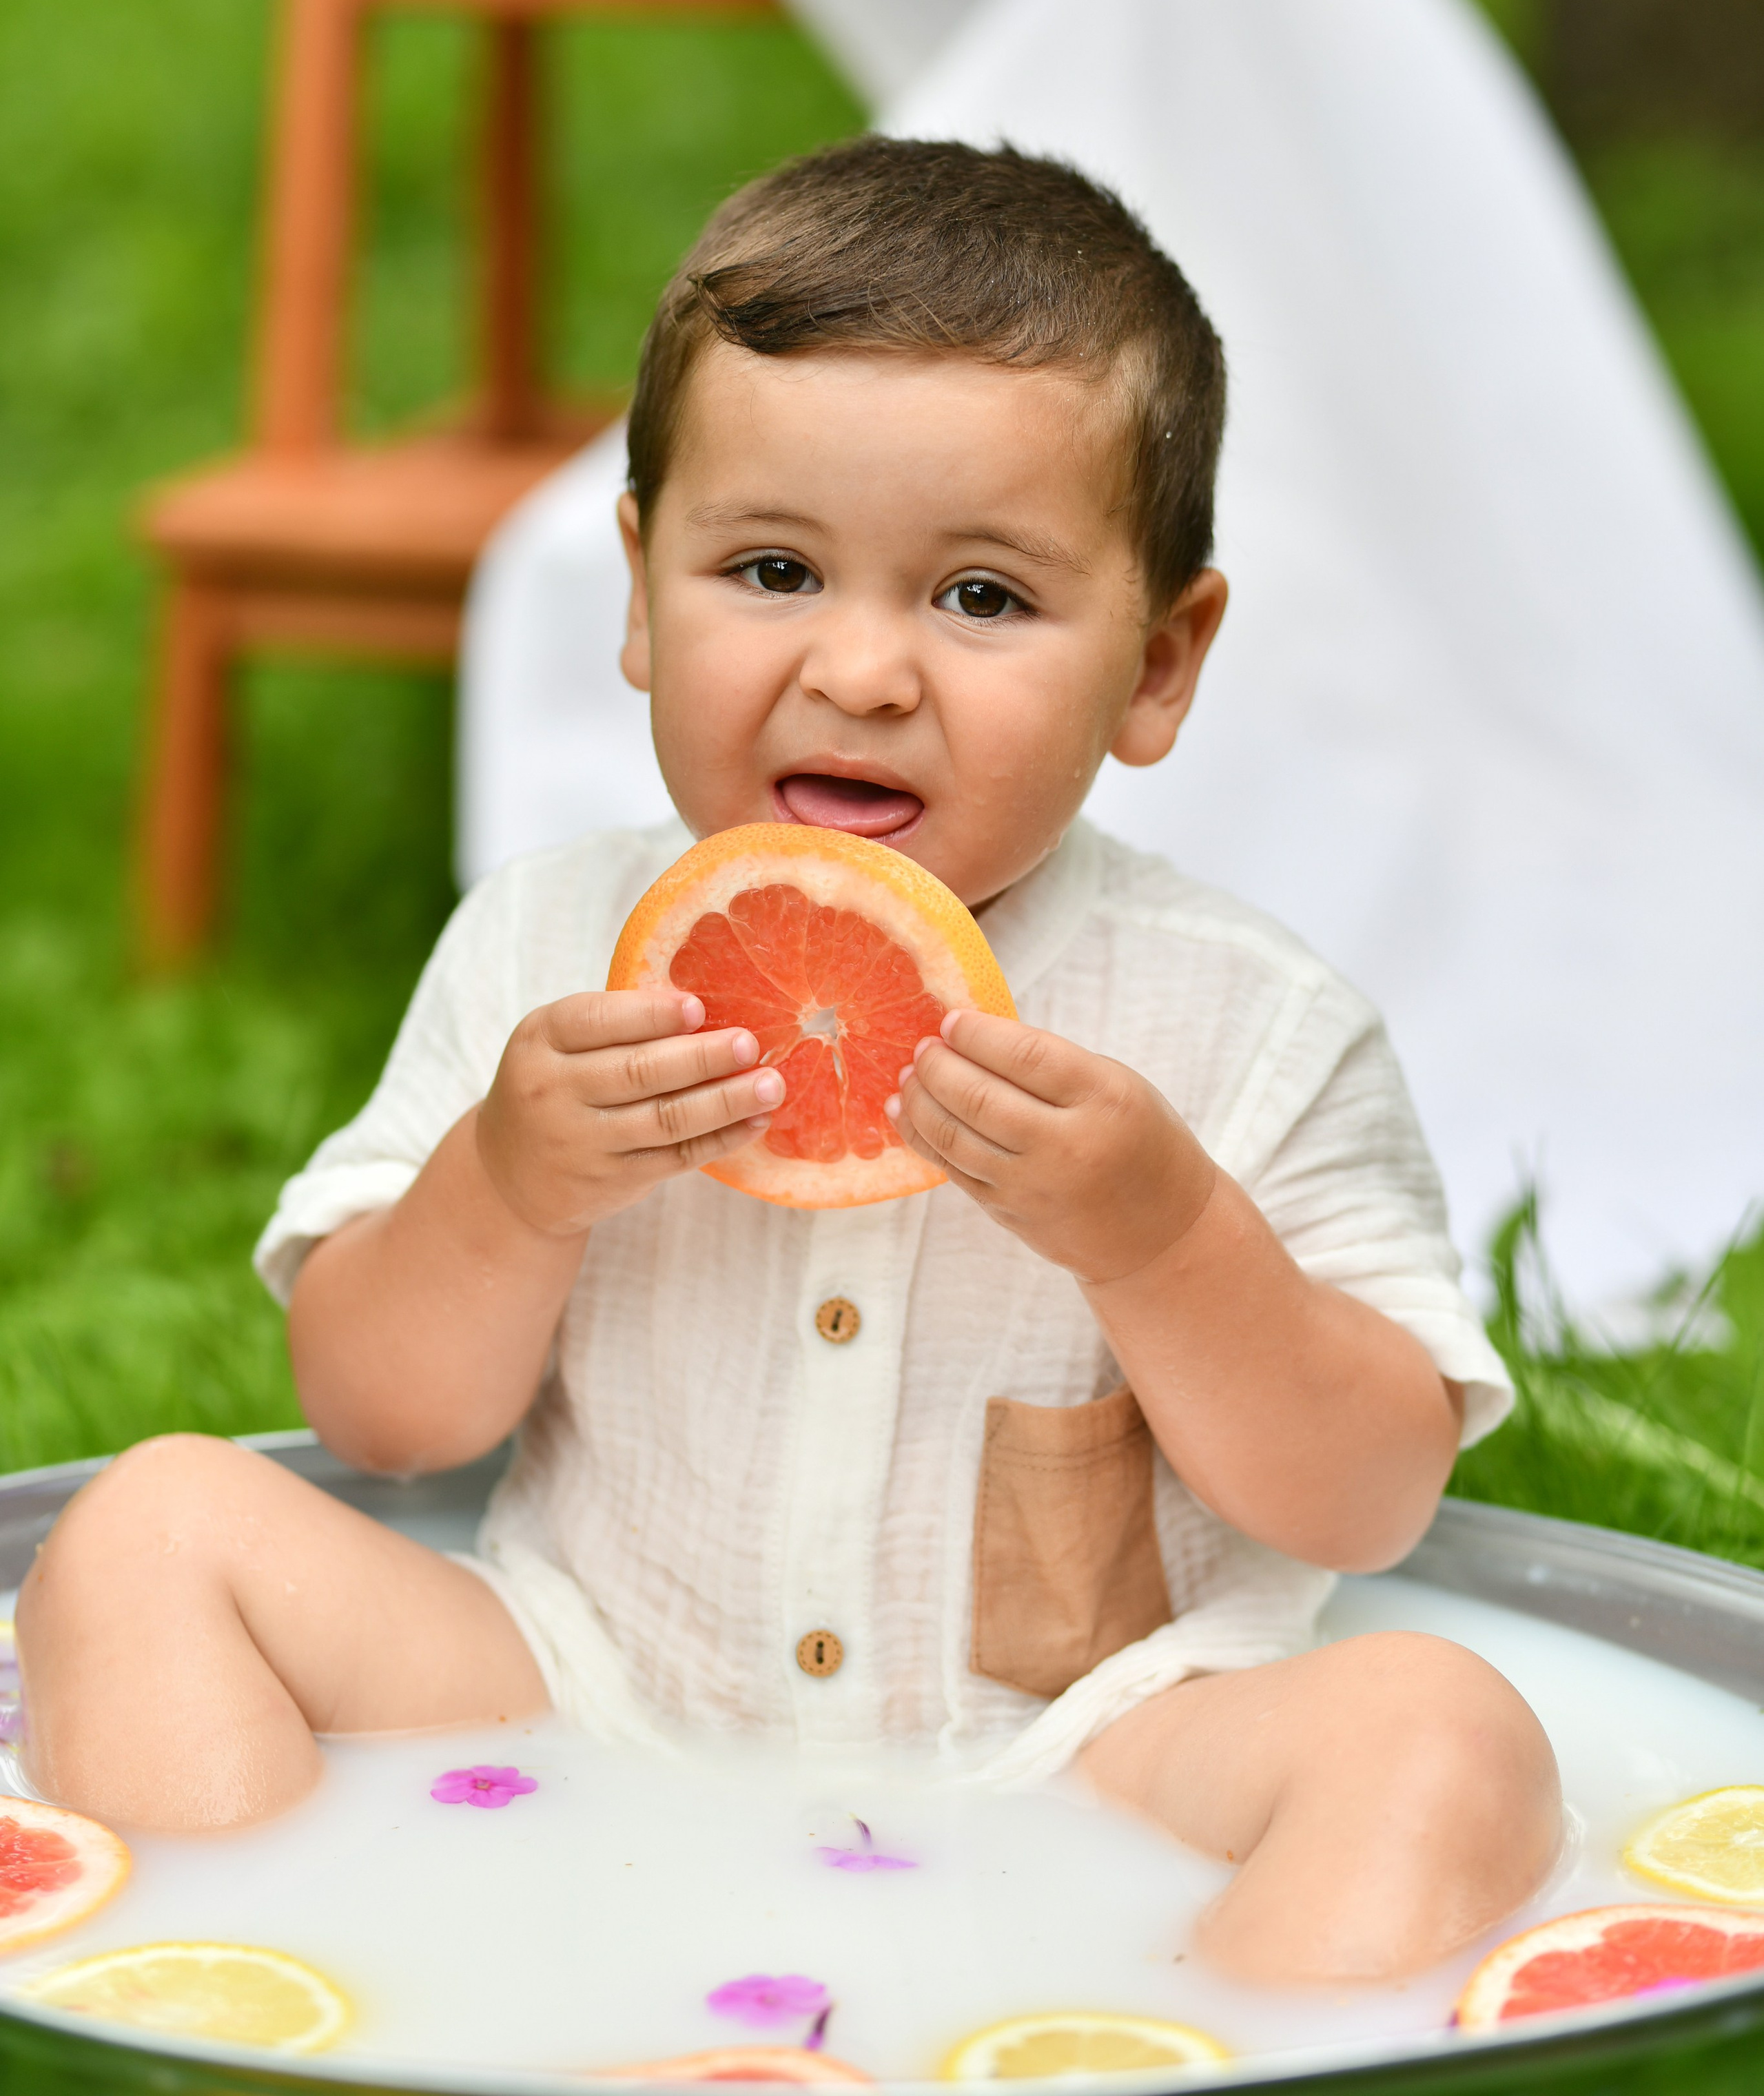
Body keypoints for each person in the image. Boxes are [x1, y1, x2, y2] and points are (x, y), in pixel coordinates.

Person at [19, 139, 1560, 1988]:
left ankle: (1183, 2037)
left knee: (1443, 1733)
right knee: (149, 1529)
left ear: (1159, 662)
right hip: (578, 1694)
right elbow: (382, 1421)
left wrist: (1165, 1242)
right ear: (637, 595)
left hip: (1087, 1760)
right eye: (768, 568)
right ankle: (282, 1987)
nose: (863, 668)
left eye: (981, 598)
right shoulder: (546, 949)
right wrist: (505, 1192)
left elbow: (1367, 1501)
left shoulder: (1246, 1020)